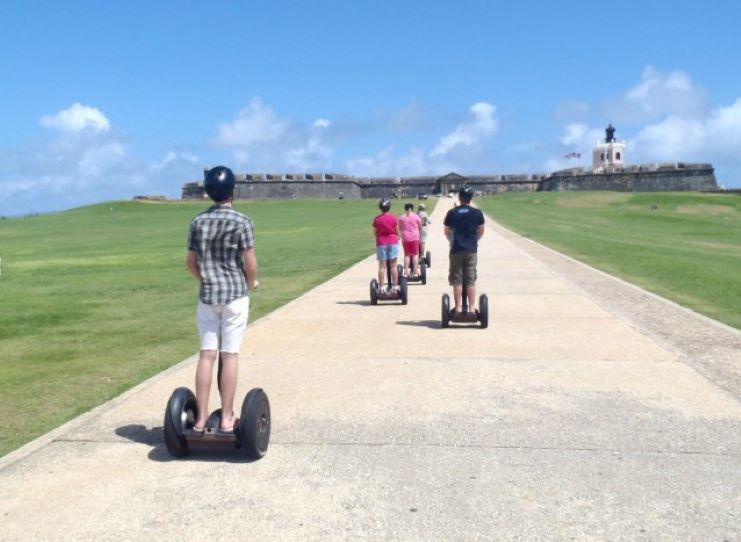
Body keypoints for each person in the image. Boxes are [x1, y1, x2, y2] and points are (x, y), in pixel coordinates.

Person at [186, 166, 259, 433]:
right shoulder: (243, 221)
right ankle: (227, 418)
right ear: (232, 191)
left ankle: (201, 418)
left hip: (208, 296)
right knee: (229, 356)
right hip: (234, 296)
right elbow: (250, 265)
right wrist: (251, 284)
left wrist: (206, 279)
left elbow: (191, 264)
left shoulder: (198, 222)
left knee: (206, 356)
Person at [443, 185, 485, 314]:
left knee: (457, 279)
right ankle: (472, 308)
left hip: (456, 249)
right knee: (470, 280)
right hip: (471, 249)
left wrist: (452, 241)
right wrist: (474, 241)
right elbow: (481, 231)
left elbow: (447, 231)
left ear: (460, 197)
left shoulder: (452, 212)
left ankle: (458, 307)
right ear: (471, 198)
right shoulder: (477, 213)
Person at [372, 198, 400, 290]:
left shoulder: (377, 219)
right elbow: (397, 231)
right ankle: (395, 286)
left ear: (380, 207)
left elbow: (375, 232)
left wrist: (379, 237)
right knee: (393, 265)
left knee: (382, 266)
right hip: (392, 241)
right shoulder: (393, 217)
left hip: (381, 242)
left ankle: (381, 287)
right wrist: (398, 236)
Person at [398, 202, 422, 277]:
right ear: (411, 208)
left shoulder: (401, 217)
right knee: (415, 255)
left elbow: (400, 227)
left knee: (407, 255)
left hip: (405, 237)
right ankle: (415, 272)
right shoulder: (416, 216)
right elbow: (420, 226)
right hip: (415, 237)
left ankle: (406, 272)